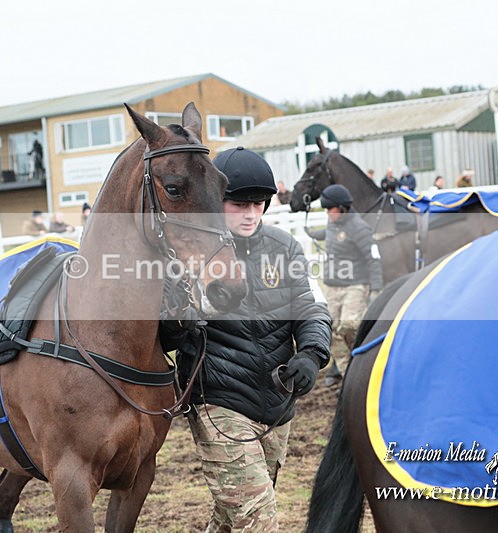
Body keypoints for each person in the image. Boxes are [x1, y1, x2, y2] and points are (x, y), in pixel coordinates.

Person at [160, 146, 332, 531]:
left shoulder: (284, 247)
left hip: (277, 400)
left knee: (230, 517)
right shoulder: (186, 254)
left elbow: (311, 308)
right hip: (218, 404)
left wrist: (311, 353)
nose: (251, 213)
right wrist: (181, 319)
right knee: (258, 519)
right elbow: (161, 334)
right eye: (239, 204)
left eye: (258, 203)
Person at [305, 184, 383, 387]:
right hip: (332, 286)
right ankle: (348, 373)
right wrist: (314, 233)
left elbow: (373, 258)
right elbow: (329, 234)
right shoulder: (333, 222)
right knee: (331, 331)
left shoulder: (359, 228)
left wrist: (376, 288)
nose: (328, 213)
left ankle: (366, 362)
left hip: (355, 286)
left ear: (343, 207)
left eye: (330, 209)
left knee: (350, 325)